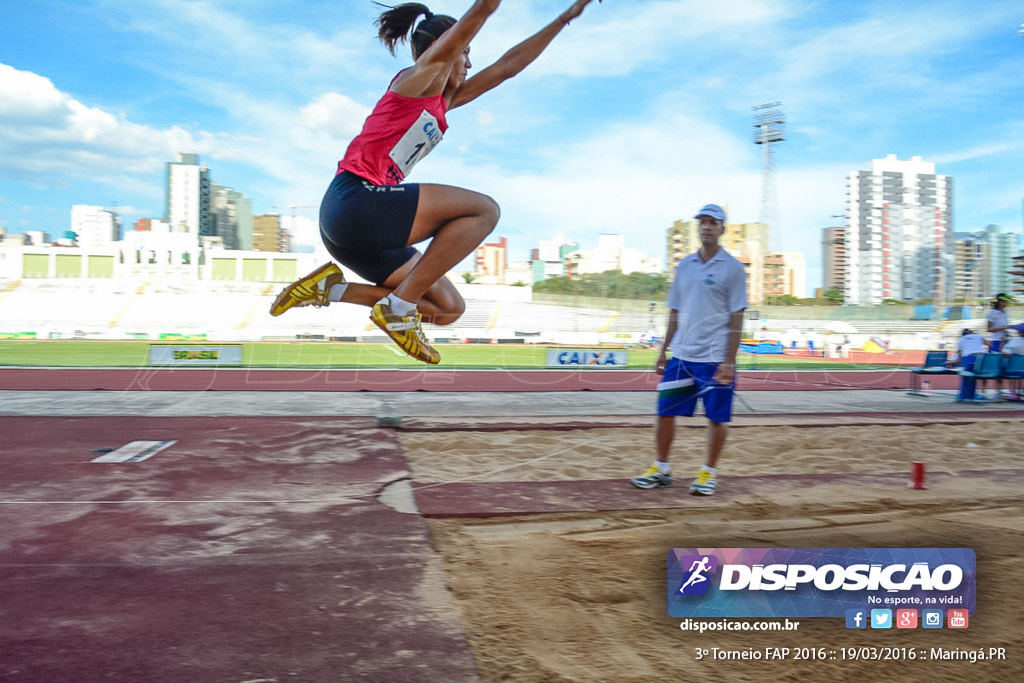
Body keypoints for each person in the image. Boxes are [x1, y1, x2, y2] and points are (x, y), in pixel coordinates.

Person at [269, 0, 600, 364]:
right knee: (483, 211)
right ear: (450, 47)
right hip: (355, 201)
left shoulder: (444, 100)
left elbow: (507, 68)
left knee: (446, 308)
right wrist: (468, 30)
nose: (470, 63)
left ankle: (331, 289)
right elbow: (484, 10)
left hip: (359, 234)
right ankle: (398, 309)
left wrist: (564, 19)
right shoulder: (419, 78)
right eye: (466, 52)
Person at [630, 204, 748, 496]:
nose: (706, 226)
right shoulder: (684, 266)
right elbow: (675, 309)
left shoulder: (732, 268)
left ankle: (708, 473)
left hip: (714, 359)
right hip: (681, 356)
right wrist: (663, 350)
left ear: (722, 229)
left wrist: (729, 361)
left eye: (712, 222)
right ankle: (661, 469)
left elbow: (737, 316)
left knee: (717, 418)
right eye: (702, 222)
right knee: (664, 412)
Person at [949, 328, 987, 401]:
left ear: (962, 334)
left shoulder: (961, 340)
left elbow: (958, 359)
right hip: (981, 358)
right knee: (974, 376)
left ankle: (964, 396)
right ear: (971, 333)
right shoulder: (978, 336)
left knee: (966, 376)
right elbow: (989, 344)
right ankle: (973, 395)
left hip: (969, 357)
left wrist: (949, 362)